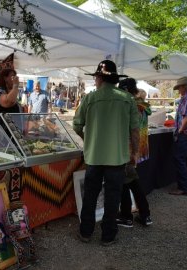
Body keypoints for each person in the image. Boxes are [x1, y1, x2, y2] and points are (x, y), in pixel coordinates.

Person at [73, 60, 139, 246]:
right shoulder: (127, 99)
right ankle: (108, 235)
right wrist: (135, 152)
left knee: (90, 195)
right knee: (113, 196)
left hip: (94, 156)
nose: (95, 81)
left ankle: (86, 232)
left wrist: (89, 141)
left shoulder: (89, 98)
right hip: (117, 158)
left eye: (96, 77)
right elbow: (135, 130)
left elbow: (77, 125)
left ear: (100, 78)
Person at [116, 78, 153, 227]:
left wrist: (132, 152)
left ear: (125, 90)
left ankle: (127, 216)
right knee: (131, 181)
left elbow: (131, 130)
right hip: (139, 148)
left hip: (129, 149)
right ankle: (144, 215)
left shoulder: (132, 105)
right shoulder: (142, 105)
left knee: (127, 182)